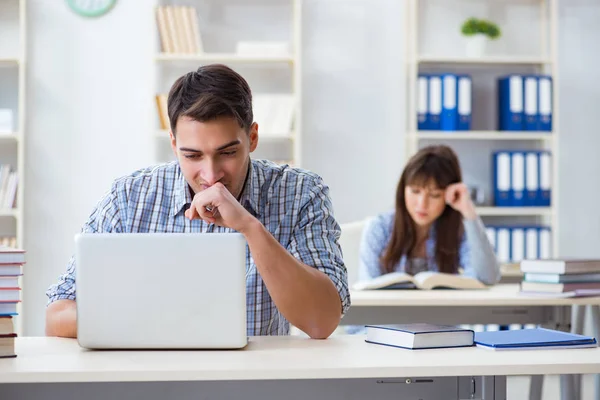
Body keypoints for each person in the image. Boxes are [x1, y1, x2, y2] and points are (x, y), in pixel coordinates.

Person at [45, 64, 350, 339]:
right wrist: (144, 319)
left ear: (253, 137)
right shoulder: (129, 197)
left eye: (228, 153)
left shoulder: (300, 192)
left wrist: (248, 227)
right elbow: (57, 316)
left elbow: (321, 322)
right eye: (192, 156)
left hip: (253, 384)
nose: (211, 174)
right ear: (174, 144)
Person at [358, 144, 500, 284]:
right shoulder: (379, 227)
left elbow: (488, 277)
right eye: (415, 191)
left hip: (443, 307)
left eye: (434, 195)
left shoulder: (457, 230)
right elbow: (368, 286)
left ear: (448, 195)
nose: (422, 204)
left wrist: (468, 210)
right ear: (403, 190)